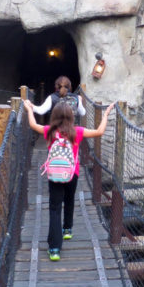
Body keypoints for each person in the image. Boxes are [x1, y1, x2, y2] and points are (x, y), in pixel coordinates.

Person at [23, 98, 115, 261]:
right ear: (71, 117)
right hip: (72, 173)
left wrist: (30, 109)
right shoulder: (77, 132)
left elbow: (32, 125)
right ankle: (67, 229)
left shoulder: (49, 131)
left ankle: (54, 249)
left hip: (54, 174)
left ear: (55, 116)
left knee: (54, 208)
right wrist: (106, 114)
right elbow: (99, 132)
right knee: (70, 199)